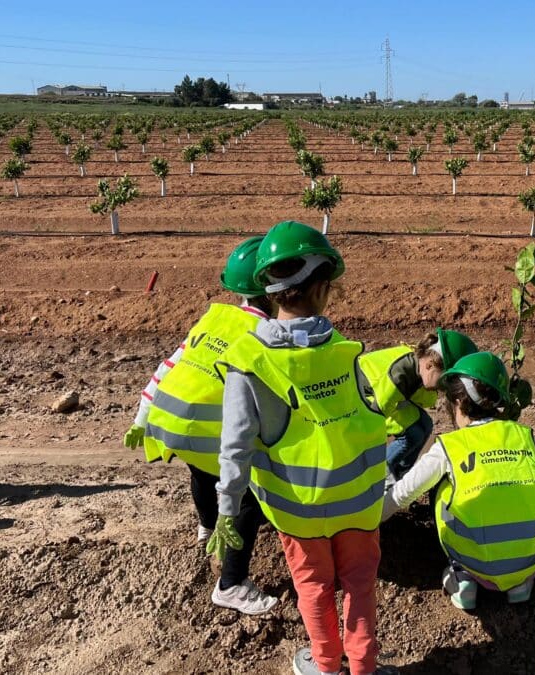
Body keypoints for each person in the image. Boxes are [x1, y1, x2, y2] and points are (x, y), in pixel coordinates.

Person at [208, 221, 398, 675]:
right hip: (358, 504)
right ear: (323, 286)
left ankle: (327, 666)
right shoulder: (346, 351)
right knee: (360, 585)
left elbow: (235, 447)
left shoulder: (249, 361)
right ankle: (364, 667)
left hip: (299, 511)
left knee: (312, 585)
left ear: (269, 293)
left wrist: (227, 510)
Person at [122, 236, 276, 615]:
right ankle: (232, 584)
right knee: (249, 496)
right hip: (209, 431)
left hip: (171, 422)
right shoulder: (265, 335)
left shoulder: (217, 318)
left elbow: (169, 365)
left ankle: (207, 528)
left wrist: (141, 416)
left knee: (202, 472)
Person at [382, 352, 535, 611]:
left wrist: (362, 520)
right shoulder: (524, 435)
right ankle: (519, 585)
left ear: (458, 402)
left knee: (443, 488)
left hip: (477, 562)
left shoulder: (451, 446)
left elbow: (403, 494)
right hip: (533, 558)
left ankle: (462, 578)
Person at [359, 329, 478, 481]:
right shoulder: (401, 372)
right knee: (412, 434)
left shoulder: (421, 369)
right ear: (430, 365)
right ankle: (379, 475)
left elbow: (425, 400)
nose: (443, 388)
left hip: (387, 398)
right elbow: (376, 414)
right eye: (444, 381)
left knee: (426, 424)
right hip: (366, 397)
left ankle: (401, 477)